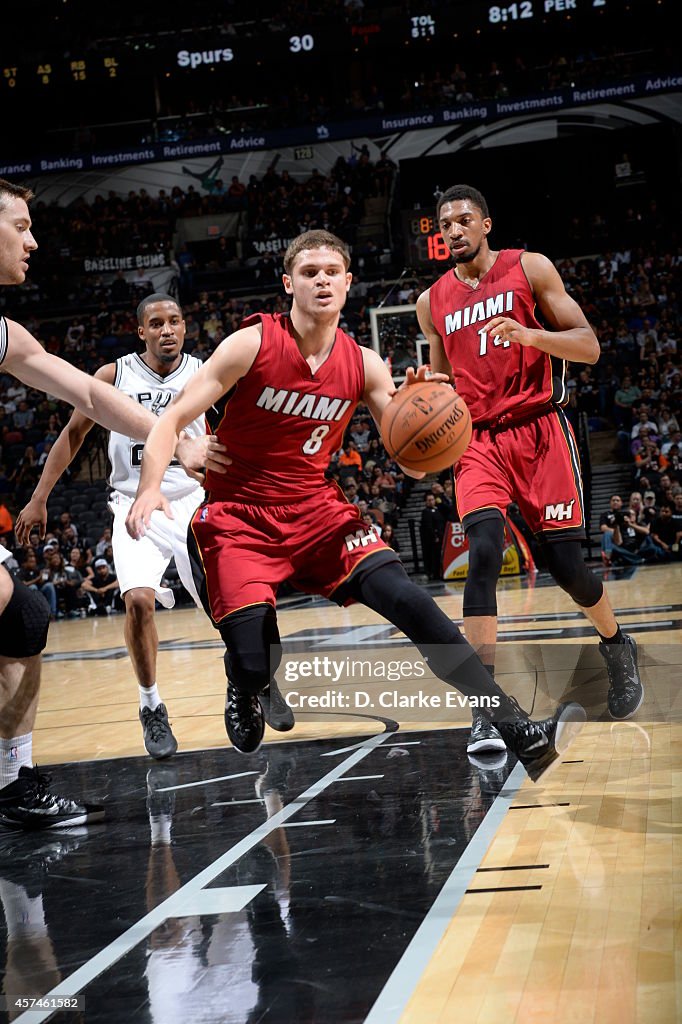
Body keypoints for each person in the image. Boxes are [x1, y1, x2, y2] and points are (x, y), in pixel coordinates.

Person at [126, 228, 586, 784]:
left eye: (331, 273)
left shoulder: (365, 364)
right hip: (240, 516)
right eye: (308, 272)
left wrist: (418, 411)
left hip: (319, 512)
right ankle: (245, 681)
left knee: (411, 601)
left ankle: (508, 719)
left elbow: (417, 466)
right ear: (288, 283)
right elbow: (172, 419)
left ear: (348, 283)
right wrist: (151, 486)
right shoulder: (250, 344)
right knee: (252, 662)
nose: (321, 280)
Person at [0, 178, 217, 829]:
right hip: (135, 507)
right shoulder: (118, 364)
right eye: (21, 226)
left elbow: (87, 402)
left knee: (27, 618)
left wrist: (168, 439)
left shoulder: (5, 333)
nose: (34, 239)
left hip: (189, 503)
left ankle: (12, 784)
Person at [416, 184, 643, 759]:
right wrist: (420, 397)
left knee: (567, 568)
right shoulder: (432, 302)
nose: (454, 230)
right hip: (478, 443)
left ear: (487, 224)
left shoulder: (530, 268)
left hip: (541, 430)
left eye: (464, 220)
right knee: (483, 554)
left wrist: (529, 334)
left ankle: (617, 645)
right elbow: (444, 384)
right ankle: (485, 708)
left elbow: (589, 347)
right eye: (446, 225)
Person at [17, 293, 290, 759]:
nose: (168, 330)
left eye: (176, 321)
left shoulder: (209, 371)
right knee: (139, 604)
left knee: (240, 602)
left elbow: (244, 430)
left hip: (195, 499)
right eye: (157, 323)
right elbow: (73, 436)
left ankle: (253, 680)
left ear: (186, 327)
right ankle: (151, 707)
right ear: (140, 330)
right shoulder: (114, 375)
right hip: (134, 500)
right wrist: (40, 496)